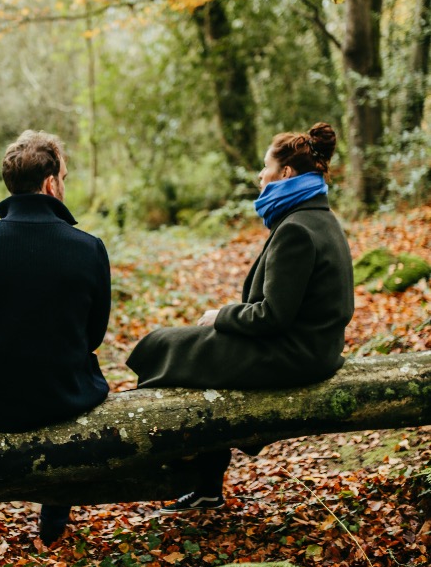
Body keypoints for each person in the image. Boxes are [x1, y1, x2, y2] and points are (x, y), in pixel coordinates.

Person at [127, 122, 354, 512]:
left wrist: (221, 316)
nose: (260, 176)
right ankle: (206, 485)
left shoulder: (297, 229)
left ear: (285, 173)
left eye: (264, 167)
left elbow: (271, 317)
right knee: (181, 349)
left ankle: (176, 465)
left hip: (296, 353)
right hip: (311, 347)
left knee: (168, 346)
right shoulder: (317, 216)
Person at [0, 130, 111, 547]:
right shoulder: (89, 248)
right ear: (51, 183)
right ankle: (53, 523)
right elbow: (94, 335)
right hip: (66, 395)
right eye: (65, 176)